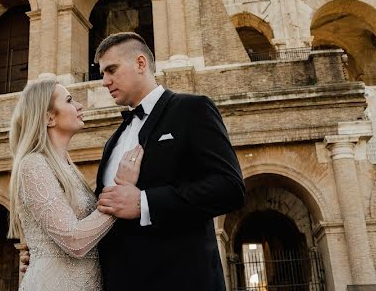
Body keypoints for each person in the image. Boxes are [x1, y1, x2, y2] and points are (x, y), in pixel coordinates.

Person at [19, 32, 245, 290]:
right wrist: (49, 255)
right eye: (102, 73)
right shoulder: (113, 140)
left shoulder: (192, 110)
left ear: (140, 64)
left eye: (111, 70)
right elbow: (100, 211)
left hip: (180, 280)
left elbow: (230, 188)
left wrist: (144, 202)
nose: (104, 81)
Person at [8, 78, 144, 291]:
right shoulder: (33, 164)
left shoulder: (68, 169)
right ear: (49, 118)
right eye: (70, 100)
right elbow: (74, 240)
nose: (80, 105)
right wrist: (121, 195)